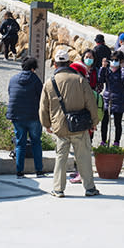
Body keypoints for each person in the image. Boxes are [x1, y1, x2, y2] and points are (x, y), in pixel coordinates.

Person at [40, 49, 101, 198]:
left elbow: (43, 106)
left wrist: (46, 124)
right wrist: (94, 122)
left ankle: (58, 189)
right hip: (80, 125)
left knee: (61, 158)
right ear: (69, 63)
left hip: (60, 126)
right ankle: (89, 188)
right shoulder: (80, 80)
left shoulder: (50, 83)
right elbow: (91, 103)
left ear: (55, 64)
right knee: (84, 157)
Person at [7, 57, 46, 178]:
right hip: (33, 116)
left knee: (20, 143)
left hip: (17, 116)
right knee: (36, 142)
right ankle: (39, 170)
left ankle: (19, 171)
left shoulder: (13, 79)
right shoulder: (35, 80)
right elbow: (42, 98)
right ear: (33, 68)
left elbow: (10, 93)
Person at [98, 50, 124, 146]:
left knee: (117, 123)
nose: (114, 62)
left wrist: (123, 68)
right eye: (112, 60)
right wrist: (103, 67)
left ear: (121, 61)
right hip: (107, 98)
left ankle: (116, 141)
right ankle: (103, 140)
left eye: (117, 60)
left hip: (119, 99)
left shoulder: (123, 70)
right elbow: (100, 79)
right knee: (104, 122)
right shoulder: (107, 70)